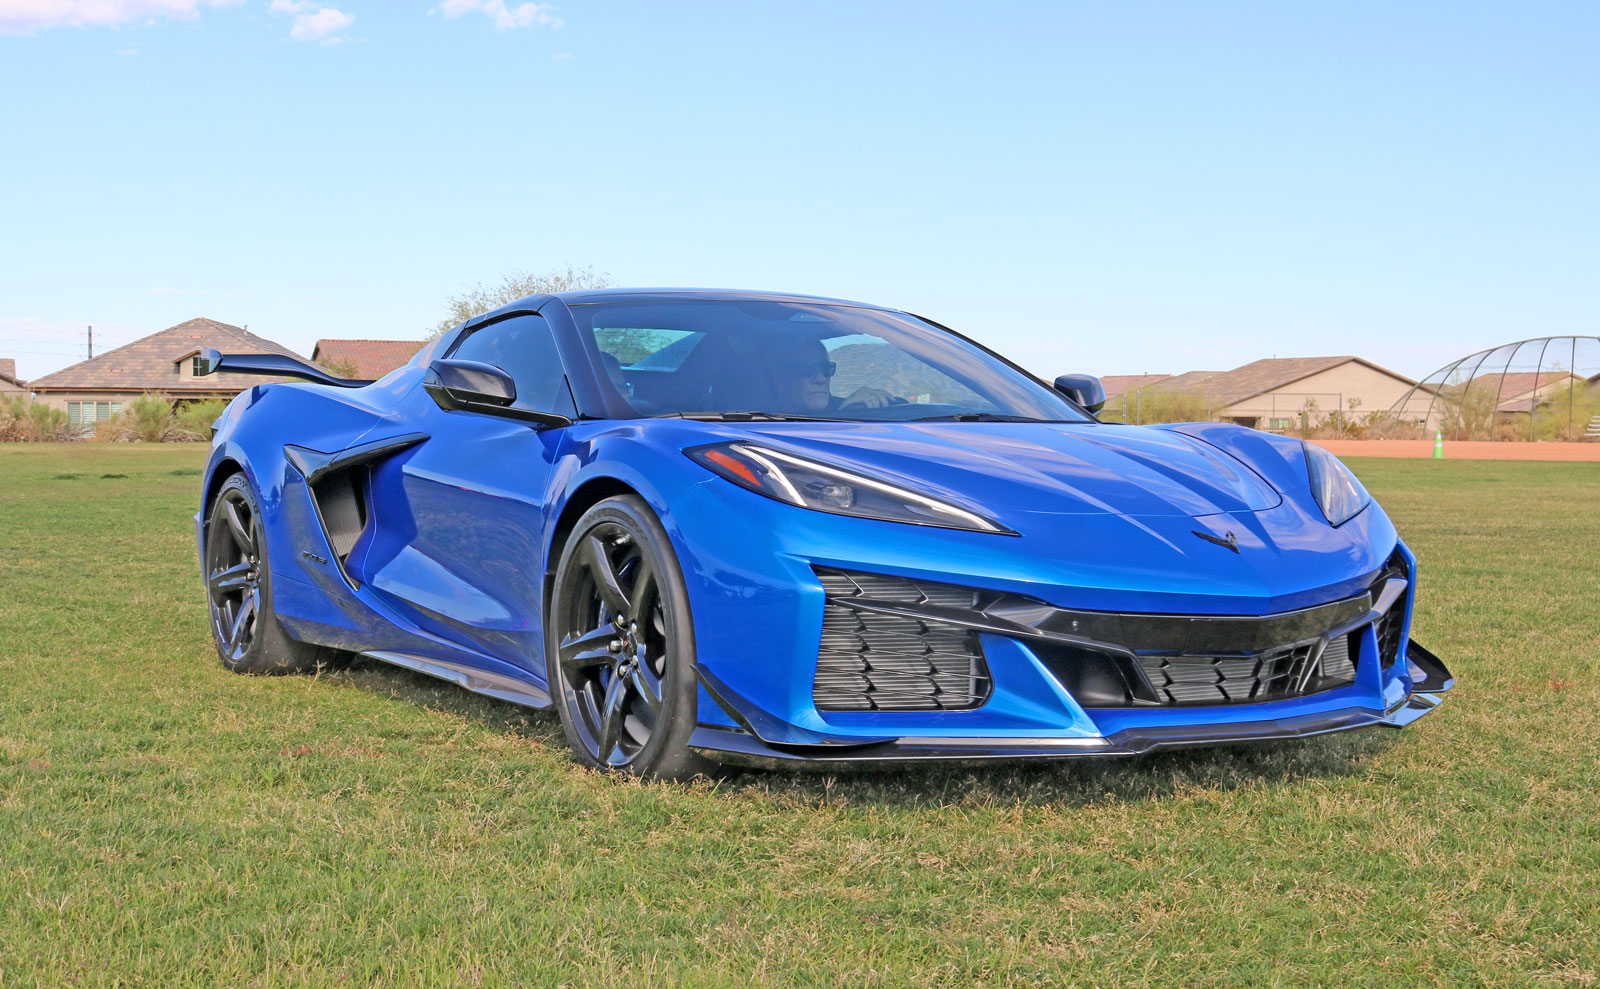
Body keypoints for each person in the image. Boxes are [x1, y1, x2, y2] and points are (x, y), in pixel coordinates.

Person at [770, 337, 896, 414]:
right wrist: (844, 415)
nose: (821, 379)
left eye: (827, 369)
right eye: (807, 369)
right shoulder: (766, 424)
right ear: (780, 380)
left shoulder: (849, 406)